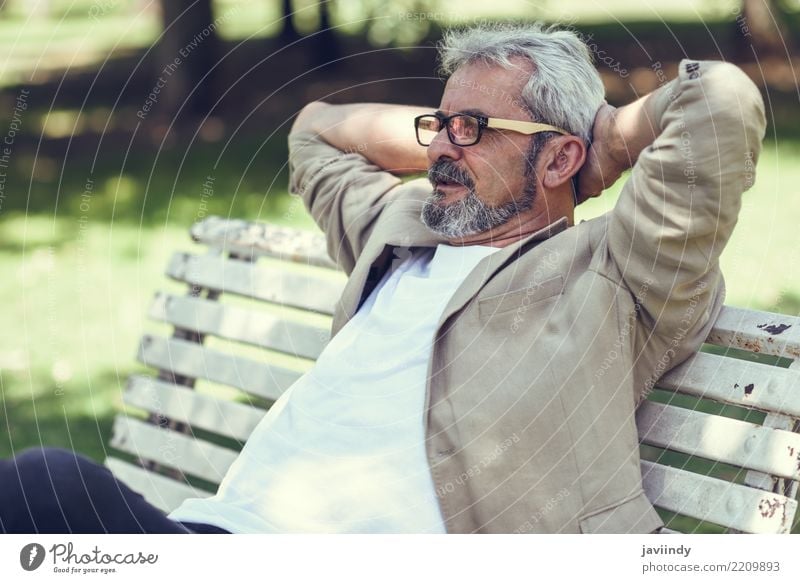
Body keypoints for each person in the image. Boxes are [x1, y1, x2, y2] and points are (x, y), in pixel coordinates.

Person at [0, 23, 765, 534]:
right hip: (221, 541)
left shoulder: (616, 277)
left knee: (44, 486)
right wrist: (461, 131)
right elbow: (316, 131)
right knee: (38, 493)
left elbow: (721, 103)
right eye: (437, 125)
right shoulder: (402, 232)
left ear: (562, 157)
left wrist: (602, 143)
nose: (439, 151)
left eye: (472, 130)